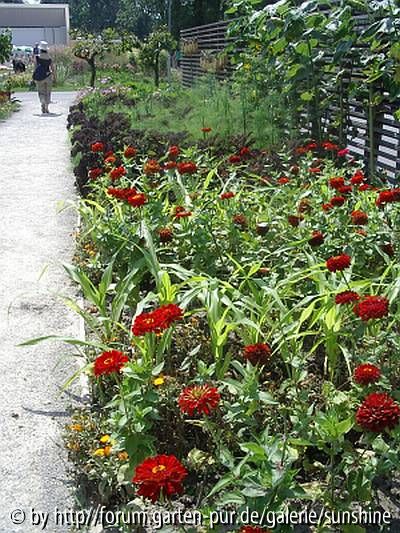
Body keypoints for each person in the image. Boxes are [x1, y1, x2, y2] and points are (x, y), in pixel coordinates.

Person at [32, 41, 53, 114]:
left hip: (40, 76)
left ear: (40, 49)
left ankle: (43, 102)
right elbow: (52, 68)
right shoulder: (49, 57)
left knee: (41, 92)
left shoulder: (37, 57)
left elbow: (35, 67)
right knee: (48, 92)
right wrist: (55, 77)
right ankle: (46, 107)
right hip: (48, 75)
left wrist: (34, 75)